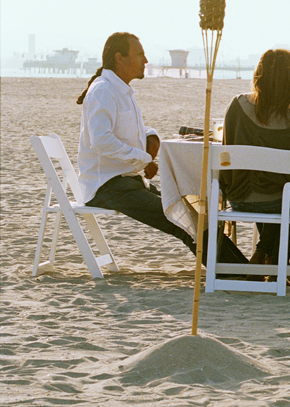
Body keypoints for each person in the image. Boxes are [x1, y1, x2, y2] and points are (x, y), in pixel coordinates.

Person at [75, 32, 243, 268]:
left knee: (193, 214)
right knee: (183, 220)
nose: (145, 60)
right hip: (108, 186)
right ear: (119, 58)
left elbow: (128, 129)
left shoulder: (121, 90)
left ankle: (244, 269)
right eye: (139, 54)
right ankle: (233, 273)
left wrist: (150, 135)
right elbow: (101, 141)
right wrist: (144, 159)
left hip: (126, 182)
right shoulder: (103, 90)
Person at [222, 47, 290, 279]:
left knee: (286, 194)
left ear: (259, 75)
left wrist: (229, 188)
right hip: (277, 202)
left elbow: (226, 150)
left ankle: (264, 255)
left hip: (239, 197)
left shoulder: (237, 104)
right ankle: (270, 257)